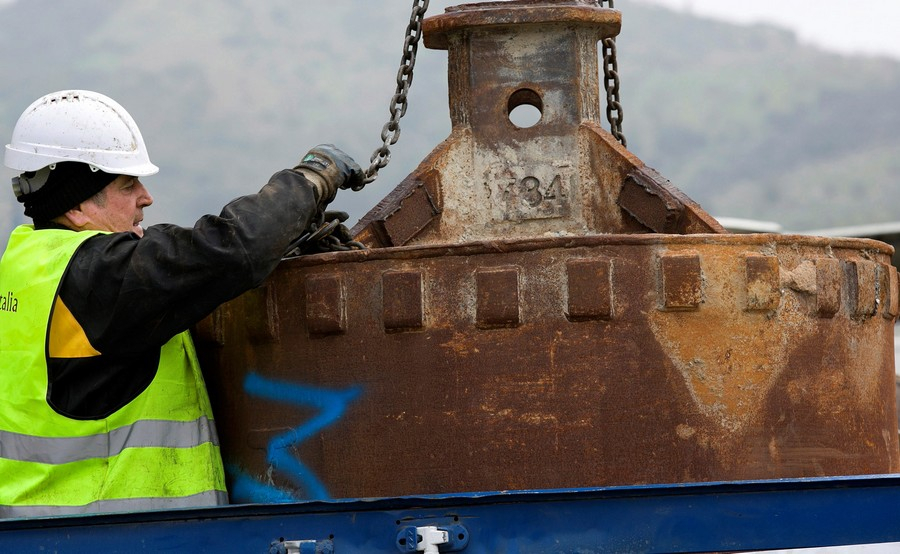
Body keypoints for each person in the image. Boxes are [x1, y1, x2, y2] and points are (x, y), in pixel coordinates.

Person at [0, 90, 363, 518]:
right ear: (77, 204)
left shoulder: (23, 266)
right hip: (119, 537)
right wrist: (312, 179)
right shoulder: (100, 276)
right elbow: (233, 249)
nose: (146, 197)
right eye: (126, 184)